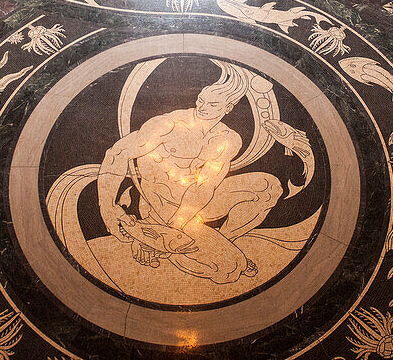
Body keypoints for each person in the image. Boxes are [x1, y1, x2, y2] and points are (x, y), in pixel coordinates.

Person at [96, 61, 284, 283]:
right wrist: (107, 208)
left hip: (195, 203)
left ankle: (220, 241)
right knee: (229, 269)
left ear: (228, 108)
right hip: (161, 204)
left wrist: (177, 227)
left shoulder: (228, 139)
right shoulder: (169, 125)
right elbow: (117, 153)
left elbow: (204, 186)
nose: (203, 107)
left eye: (213, 104)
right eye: (201, 100)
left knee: (269, 188)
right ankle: (161, 234)